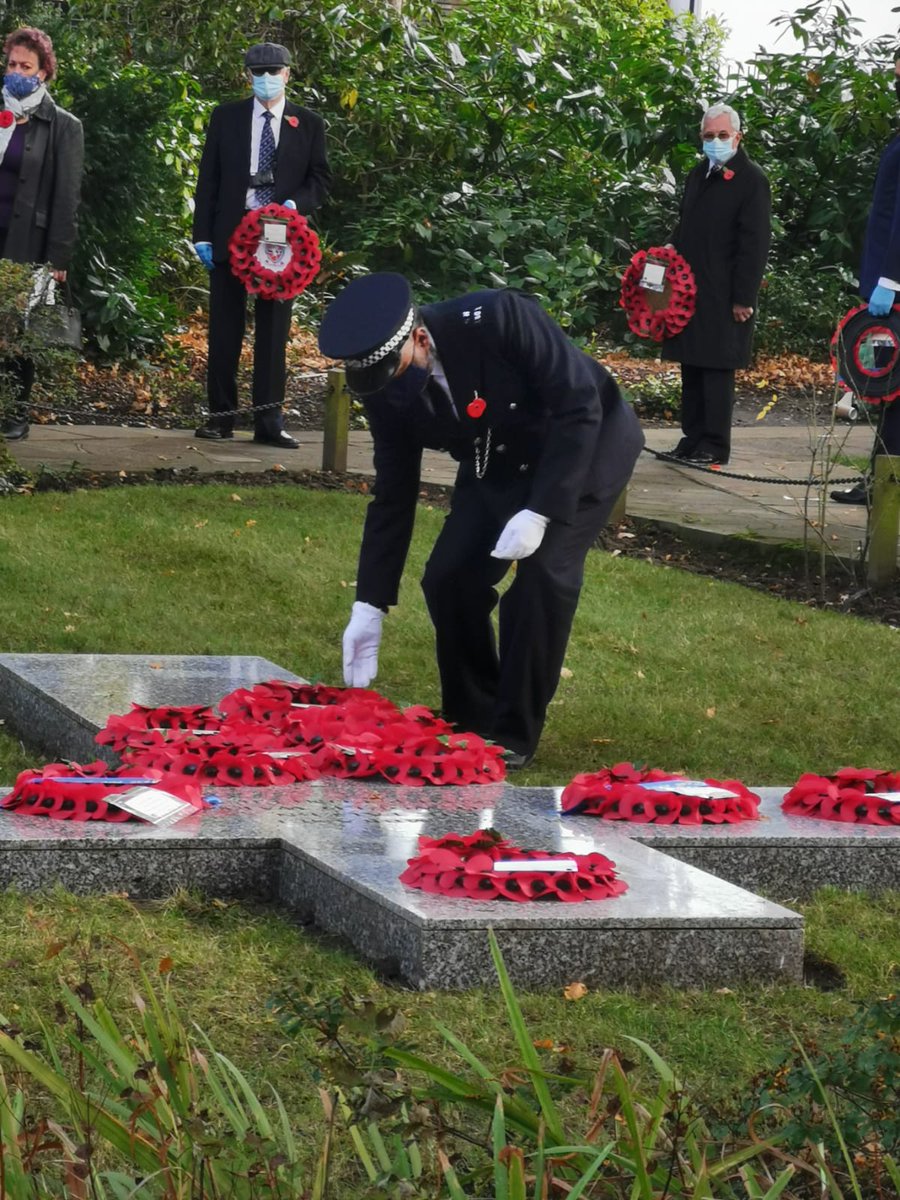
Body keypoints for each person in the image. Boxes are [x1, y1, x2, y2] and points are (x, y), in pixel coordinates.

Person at [318, 274, 644, 769]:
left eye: (396, 367)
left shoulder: (500, 318)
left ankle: (513, 731)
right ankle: (472, 715)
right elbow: (393, 495)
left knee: (542, 577)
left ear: (420, 338)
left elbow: (579, 405)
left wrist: (540, 511)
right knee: (449, 579)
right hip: (497, 458)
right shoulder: (386, 386)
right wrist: (369, 602)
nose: (388, 386)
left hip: (584, 447)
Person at [192, 42, 330, 449]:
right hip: (231, 234)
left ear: (288, 74)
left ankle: (268, 419)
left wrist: (294, 205)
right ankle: (221, 416)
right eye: (258, 72)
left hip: (281, 240)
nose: (266, 79)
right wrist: (202, 234)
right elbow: (209, 179)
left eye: (273, 71)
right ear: (247, 75)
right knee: (224, 328)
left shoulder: (308, 123)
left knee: (273, 331)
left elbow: (320, 179)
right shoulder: (226, 117)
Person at [662, 103, 771, 466]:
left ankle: (714, 444)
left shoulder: (752, 179)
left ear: (737, 137)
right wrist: (669, 249)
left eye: (723, 136)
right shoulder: (698, 174)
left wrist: (744, 297)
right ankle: (691, 438)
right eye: (709, 136)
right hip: (690, 290)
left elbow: (754, 243)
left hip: (726, 293)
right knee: (691, 364)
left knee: (716, 368)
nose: (716, 142)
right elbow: (686, 222)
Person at [0, 26, 83, 441]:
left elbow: (67, 197)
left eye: (25, 66)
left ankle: (15, 413)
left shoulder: (63, 126)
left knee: (18, 330)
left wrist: (59, 259)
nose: (17, 71)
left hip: (27, 243)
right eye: (11, 64)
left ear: (43, 72)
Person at [831, 49, 900, 506]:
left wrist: (891, 279)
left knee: (895, 390)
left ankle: (882, 485)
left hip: (895, 283)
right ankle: (882, 483)